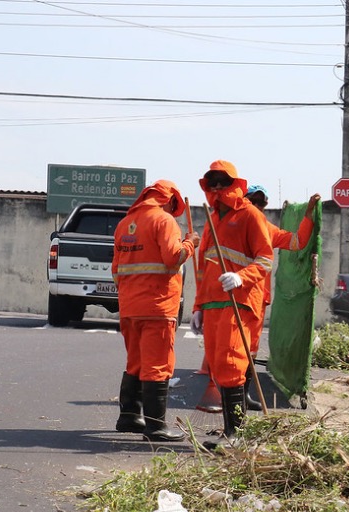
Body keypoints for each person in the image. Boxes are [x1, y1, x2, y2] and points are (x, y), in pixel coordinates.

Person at [190, 161, 274, 439]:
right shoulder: (212, 220)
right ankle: (231, 432)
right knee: (218, 367)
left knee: (232, 364)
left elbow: (265, 259)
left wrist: (241, 277)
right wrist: (197, 307)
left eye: (222, 182)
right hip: (213, 303)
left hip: (239, 301)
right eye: (212, 183)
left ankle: (235, 435)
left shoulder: (250, 215)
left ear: (234, 185)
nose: (216, 188)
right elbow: (204, 269)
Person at [112, 179, 199, 442]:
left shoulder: (124, 224)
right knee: (157, 365)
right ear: (169, 199)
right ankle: (156, 426)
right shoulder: (164, 221)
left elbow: (116, 270)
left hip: (130, 307)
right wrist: (190, 243)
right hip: (158, 307)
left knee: (136, 362)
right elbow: (173, 257)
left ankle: (129, 416)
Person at [241, 185, 321, 410]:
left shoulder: (266, 228)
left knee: (250, 349)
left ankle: (240, 397)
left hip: (255, 299)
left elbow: (297, 242)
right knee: (235, 348)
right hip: (234, 297)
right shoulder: (232, 224)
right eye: (252, 201)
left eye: (260, 202)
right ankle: (231, 398)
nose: (256, 206)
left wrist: (308, 215)